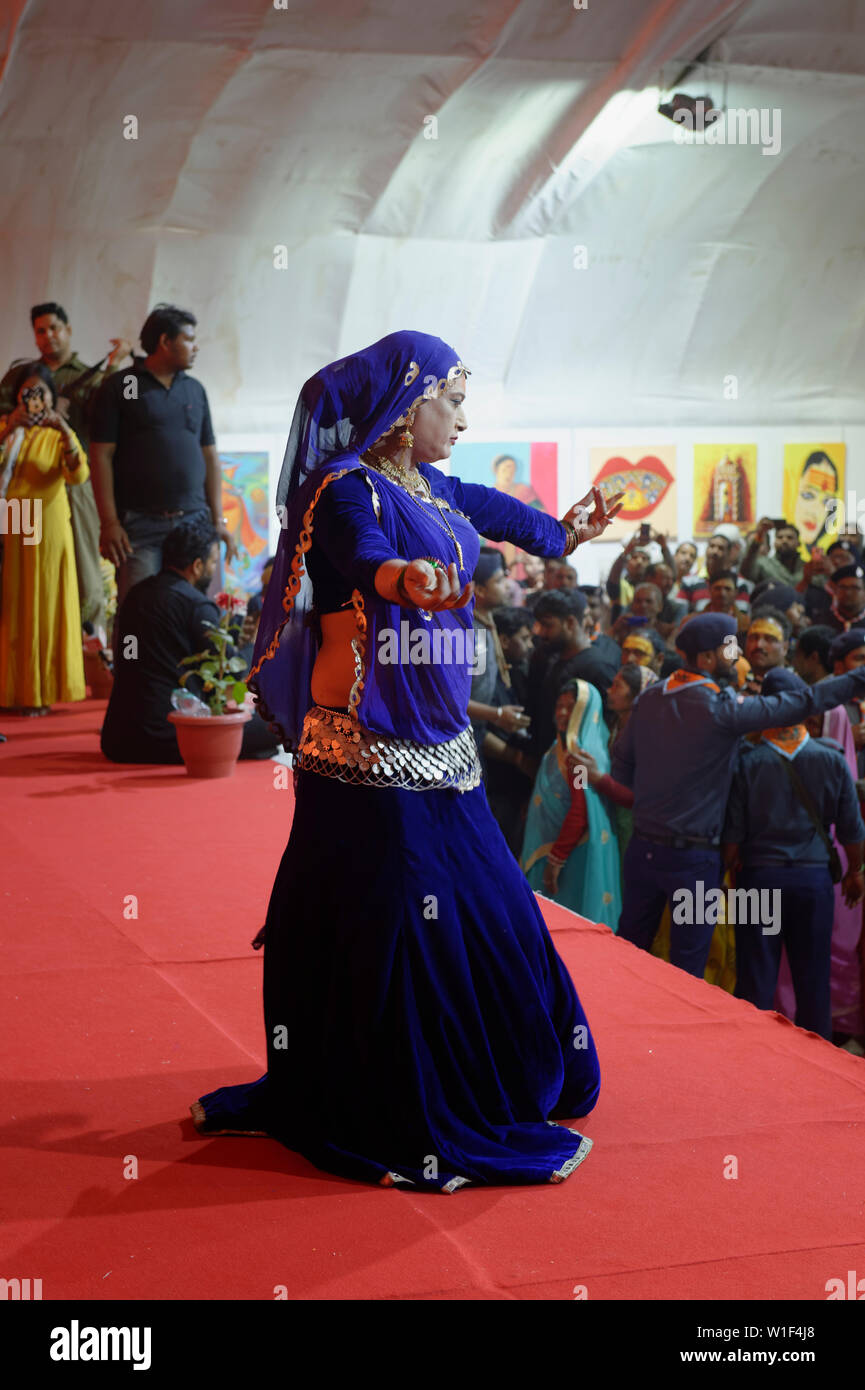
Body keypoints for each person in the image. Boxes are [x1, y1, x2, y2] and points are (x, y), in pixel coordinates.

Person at [190, 330, 623, 1191]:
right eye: (452, 400)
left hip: (442, 746)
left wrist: (572, 526)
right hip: (366, 747)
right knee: (389, 919)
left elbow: (530, 529)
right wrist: (403, 580)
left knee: (492, 906)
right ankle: (385, 1091)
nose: (462, 417)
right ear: (404, 405)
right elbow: (354, 556)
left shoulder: (442, 488)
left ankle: (509, 1067)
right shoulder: (344, 489)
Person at [611, 611, 865, 977]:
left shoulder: (649, 698)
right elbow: (805, 702)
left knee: (628, 953)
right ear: (707, 659)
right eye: (731, 647)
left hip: (642, 850)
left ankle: (614, 1030)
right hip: (693, 860)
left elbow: (622, 767)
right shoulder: (721, 710)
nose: (739, 654)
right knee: (686, 971)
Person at [723, 666, 865, 1040]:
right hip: (813, 883)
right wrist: (854, 872)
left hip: (758, 880)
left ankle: (754, 1058)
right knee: (813, 980)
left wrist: (728, 875)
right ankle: (815, 1068)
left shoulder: (746, 762)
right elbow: (852, 831)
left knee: (756, 978)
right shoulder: (832, 759)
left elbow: (732, 841)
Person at [89, 303, 237, 609]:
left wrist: (217, 518)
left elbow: (210, 455)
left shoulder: (195, 390)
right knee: (139, 614)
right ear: (165, 342)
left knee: (197, 614)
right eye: (189, 339)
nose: (196, 347)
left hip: (194, 523)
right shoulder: (125, 386)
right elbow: (100, 455)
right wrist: (109, 523)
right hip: (140, 527)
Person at [0, 302, 132, 636]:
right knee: (18, 564)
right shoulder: (19, 375)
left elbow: (111, 419)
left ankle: (89, 636)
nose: (48, 336)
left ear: (68, 330)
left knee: (83, 558)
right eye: (40, 330)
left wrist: (115, 365)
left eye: (54, 328)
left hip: (75, 480)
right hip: (22, 489)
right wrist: (12, 419)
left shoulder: (90, 375)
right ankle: (24, 634)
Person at [100, 518, 278, 764]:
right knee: (276, 722)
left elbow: (145, 654)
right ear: (197, 566)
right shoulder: (195, 604)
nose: (212, 568)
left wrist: (234, 638)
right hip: (173, 736)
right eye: (213, 563)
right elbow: (230, 675)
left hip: (119, 740)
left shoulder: (135, 596)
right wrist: (254, 644)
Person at [0, 362, 89, 713]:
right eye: (28, 392)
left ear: (52, 397)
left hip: (49, 524)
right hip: (15, 520)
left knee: (48, 602)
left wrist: (65, 430)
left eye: (42, 392)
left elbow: (78, 474)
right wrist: (8, 432)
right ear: (18, 396)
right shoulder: (6, 428)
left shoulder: (58, 433)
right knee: (15, 604)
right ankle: (14, 690)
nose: (34, 400)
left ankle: (43, 692)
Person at [521, 680, 621, 929]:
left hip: (569, 856)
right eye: (559, 706)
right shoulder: (560, 746)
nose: (563, 713)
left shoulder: (581, 756)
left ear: (587, 712)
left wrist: (556, 860)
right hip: (550, 850)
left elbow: (580, 810)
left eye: (571, 707)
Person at [527, 589, 620, 756]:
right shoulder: (550, 658)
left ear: (570, 622)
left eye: (548, 625)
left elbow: (608, 727)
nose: (541, 632)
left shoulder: (597, 667)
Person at [740, 518, 805, 587]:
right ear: (774, 543)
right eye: (780, 537)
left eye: (790, 537)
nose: (784, 541)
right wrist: (759, 534)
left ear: (799, 543)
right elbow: (746, 572)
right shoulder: (764, 564)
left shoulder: (807, 568)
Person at [742, 608, 790, 693]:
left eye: (769, 639)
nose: (759, 645)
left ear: (785, 647)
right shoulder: (741, 682)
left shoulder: (793, 690)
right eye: (754, 638)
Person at [823, 563, 865, 635]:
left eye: (855, 588)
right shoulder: (822, 620)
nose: (848, 592)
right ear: (835, 591)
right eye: (843, 587)